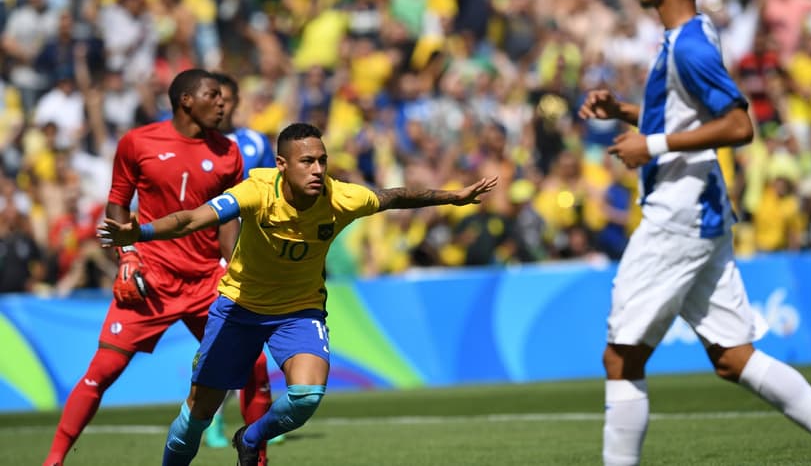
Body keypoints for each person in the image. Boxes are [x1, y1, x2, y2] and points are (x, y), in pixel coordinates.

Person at [577, 0, 811, 465]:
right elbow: (688, 113)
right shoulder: (690, 37)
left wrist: (651, 143)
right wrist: (626, 112)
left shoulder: (692, 48)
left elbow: (738, 125)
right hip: (700, 212)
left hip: (676, 216)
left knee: (620, 357)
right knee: (734, 358)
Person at [97, 122, 498, 465]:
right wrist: (141, 233)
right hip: (239, 307)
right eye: (307, 161)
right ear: (281, 165)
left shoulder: (341, 198)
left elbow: (394, 197)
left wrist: (454, 196)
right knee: (199, 414)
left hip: (299, 311)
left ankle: (251, 438)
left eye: (322, 160)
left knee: (306, 396)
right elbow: (192, 219)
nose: (318, 169)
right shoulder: (255, 191)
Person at [43, 69, 272, 466]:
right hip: (152, 279)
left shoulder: (228, 153)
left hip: (206, 282)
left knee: (254, 365)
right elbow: (118, 201)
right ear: (186, 100)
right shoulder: (138, 142)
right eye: (213, 95)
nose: (223, 103)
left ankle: (257, 459)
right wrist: (127, 256)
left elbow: (227, 219)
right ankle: (54, 459)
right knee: (102, 372)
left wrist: (236, 270)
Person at [204, 71, 279, 449]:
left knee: (256, 344)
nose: (223, 105)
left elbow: (273, 189)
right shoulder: (201, 145)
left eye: (228, 99)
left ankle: (258, 421)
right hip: (215, 253)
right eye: (215, 98)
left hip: (256, 249)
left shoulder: (253, 141)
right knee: (219, 341)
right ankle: (211, 419)